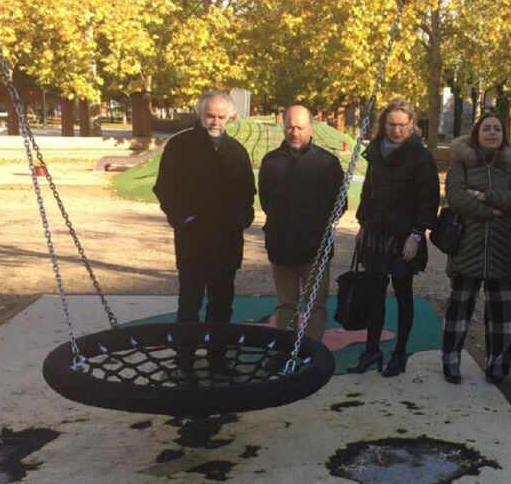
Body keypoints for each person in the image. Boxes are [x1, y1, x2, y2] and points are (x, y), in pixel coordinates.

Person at [349, 98, 439, 377]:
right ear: (383, 124)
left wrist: (416, 235)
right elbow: (369, 191)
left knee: (403, 294)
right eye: (391, 124)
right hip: (376, 232)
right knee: (374, 294)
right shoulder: (376, 151)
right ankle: (372, 348)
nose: (396, 130)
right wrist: (363, 223)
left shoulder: (420, 156)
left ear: (412, 125)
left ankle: (400, 352)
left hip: (403, 235)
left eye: (402, 124)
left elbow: (428, 199)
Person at [153, 90, 255, 327]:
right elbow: (165, 188)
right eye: (210, 116)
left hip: (227, 240)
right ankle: (185, 359)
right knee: (189, 303)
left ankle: (217, 357)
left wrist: (241, 219)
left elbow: (247, 192)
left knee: (221, 304)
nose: (215, 122)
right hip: (193, 240)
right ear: (200, 114)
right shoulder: (180, 146)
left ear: (229, 117)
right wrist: (182, 219)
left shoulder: (236, 151)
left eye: (221, 117)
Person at [441, 112, 511, 384]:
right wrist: (491, 212)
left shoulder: (510, 166)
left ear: (504, 135)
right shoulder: (462, 162)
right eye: (487, 129)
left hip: (500, 248)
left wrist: (486, 195)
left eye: (497, 129)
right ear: (477, 133)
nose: (492, 133)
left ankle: (498, 365)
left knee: (501, 311)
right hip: (468, 244)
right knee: (460, 306)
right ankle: (451, 360)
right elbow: (455, 197)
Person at [258, 104, 345, 341]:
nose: (294, 132)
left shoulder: (327, 163)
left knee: (316, 304)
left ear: (310, 128)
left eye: (299, 127)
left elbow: (340, 203)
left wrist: (314, 221)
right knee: (286, 303)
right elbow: (266, 200)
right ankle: (284, 347)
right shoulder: (270, 162)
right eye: (289, 127)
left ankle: (312, 350)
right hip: (281, 242)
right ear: (283, 127)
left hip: (315, 245)